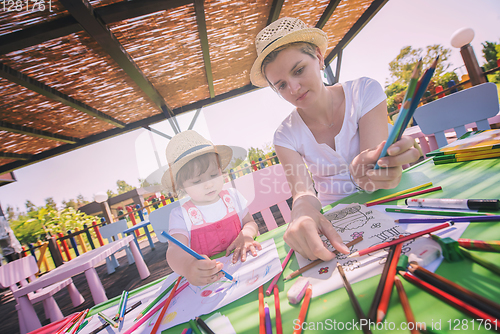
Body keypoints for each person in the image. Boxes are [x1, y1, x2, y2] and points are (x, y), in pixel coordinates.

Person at [250, 17, 420, 262]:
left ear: (319, 58)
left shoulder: (364, 92)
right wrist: (302, 213)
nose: (294, 88)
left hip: (390, 201)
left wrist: (375, 169)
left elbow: (373, 170)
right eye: (281, 85)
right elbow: (303, 192)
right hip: (337, 223)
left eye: (298, 70)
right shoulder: (284, 134)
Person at [162, 130, 261, 286]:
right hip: (208, 282)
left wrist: (247, 234)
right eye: (197, 181)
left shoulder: (232, 197)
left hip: (248, 268)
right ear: (182, 185)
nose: (208, 184)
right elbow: (174, 251)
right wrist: (188, 266)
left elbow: (250, 222)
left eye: (214, 175)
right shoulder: (180, 215)